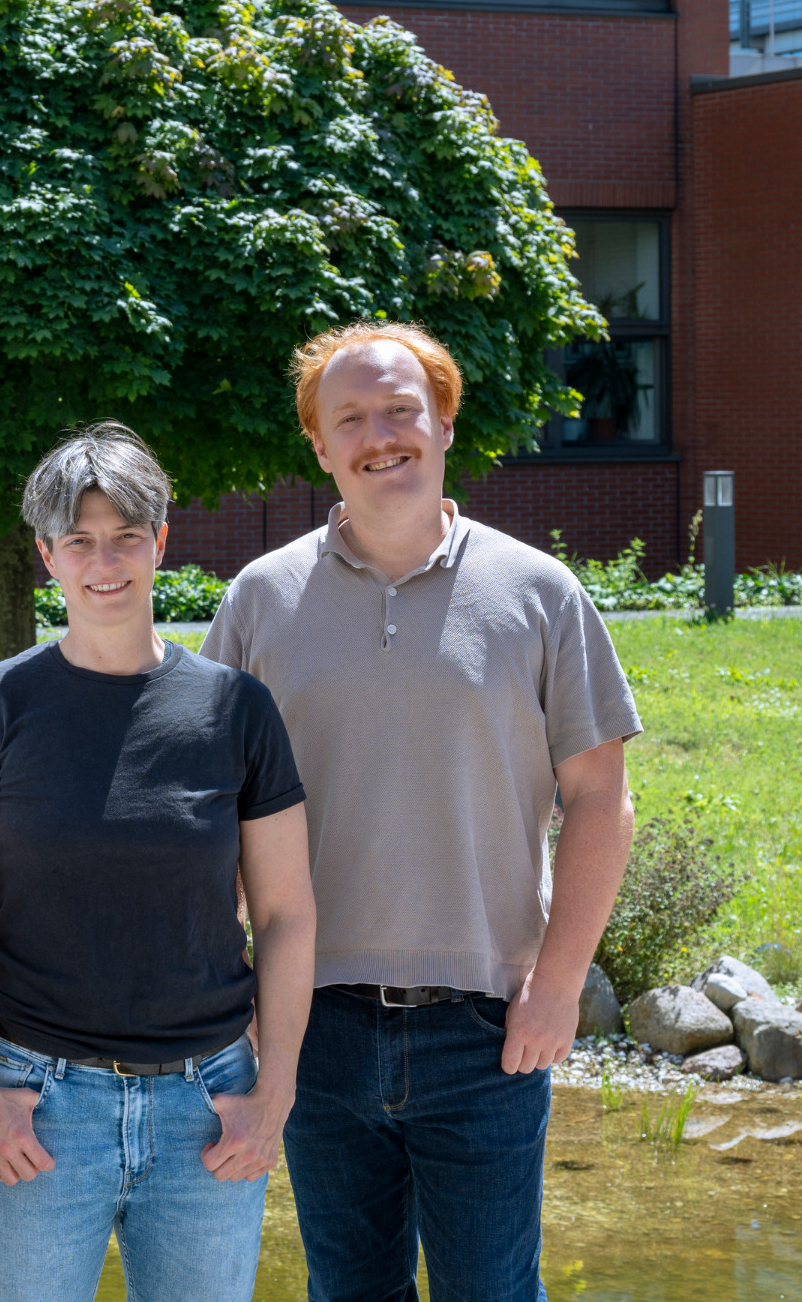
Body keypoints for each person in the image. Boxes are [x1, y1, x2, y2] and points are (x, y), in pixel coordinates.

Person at [202, 322, 640, 1302]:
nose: (380, 435)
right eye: (350, 417)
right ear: (319, 445)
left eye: (401, 409)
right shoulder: (260, 601)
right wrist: (234, 997)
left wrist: (559, 985)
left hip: (487, 1029)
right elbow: (214, 813)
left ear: (444, 422)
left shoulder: (539, 594)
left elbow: (601, 798)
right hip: (311, 1024)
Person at [0, 423, 317, 1302]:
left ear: (161, 541)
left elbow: (286, 913)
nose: (104, 562)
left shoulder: (236, 709)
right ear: (46, 555)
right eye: (79, 541)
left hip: (209, 1109)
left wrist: (275, 1096)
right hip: (35, 1104)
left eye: (126, 536)